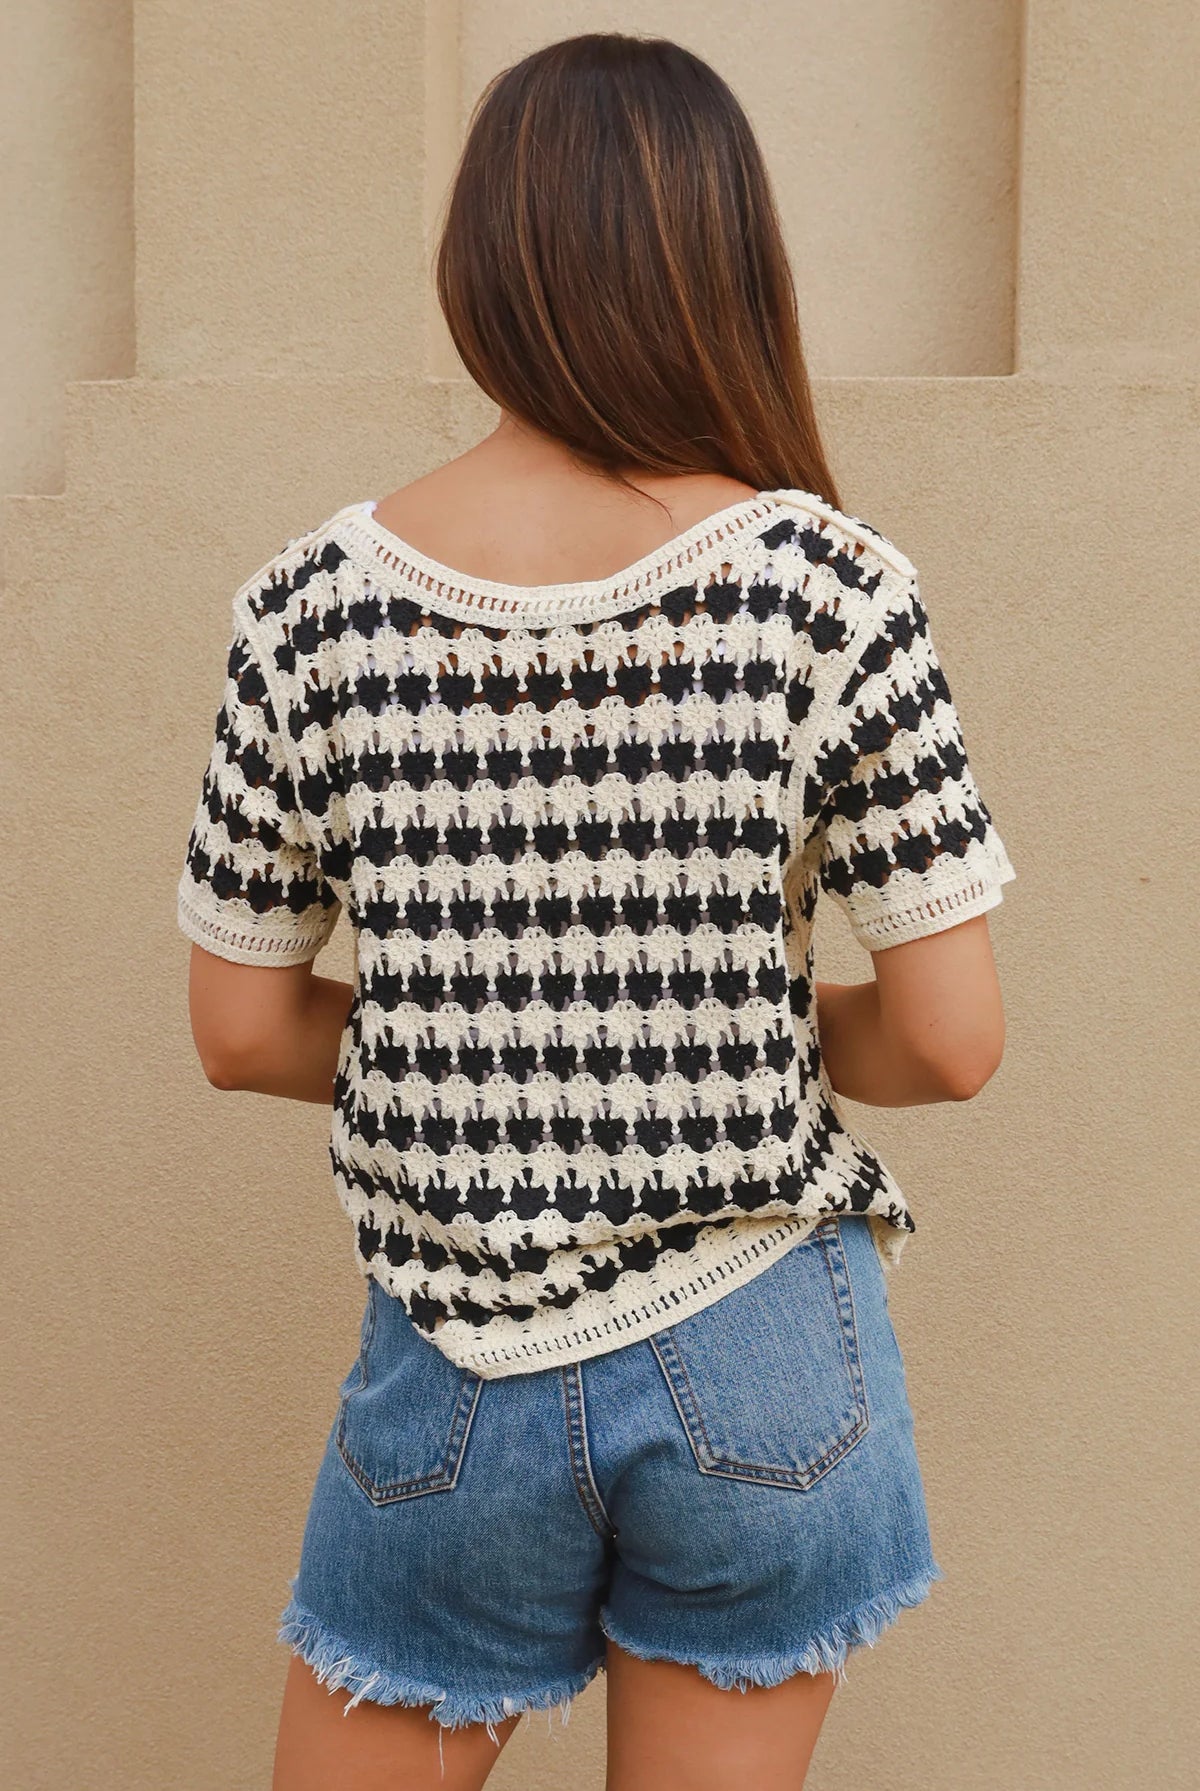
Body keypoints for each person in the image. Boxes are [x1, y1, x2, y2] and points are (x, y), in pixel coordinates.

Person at [176, 31, 1015, 1791]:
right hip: (769, 1336)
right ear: (731, 259)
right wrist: (718, 1039)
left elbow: (242, 1028)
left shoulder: (309, 613)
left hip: (454, 1357)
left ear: (482, 263)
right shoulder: (833, 590)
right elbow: (949, 1039)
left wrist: (473, 1051)